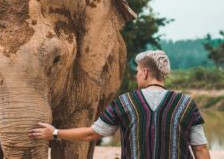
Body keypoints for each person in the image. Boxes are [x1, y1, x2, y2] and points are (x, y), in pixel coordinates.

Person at [29, 50, 211, 159]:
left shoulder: (125, 102)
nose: (137, 74)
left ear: (146, 72)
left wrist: (54, 133)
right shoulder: (187, 104)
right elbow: (200, 149)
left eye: (138, 71)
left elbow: (92, 133)